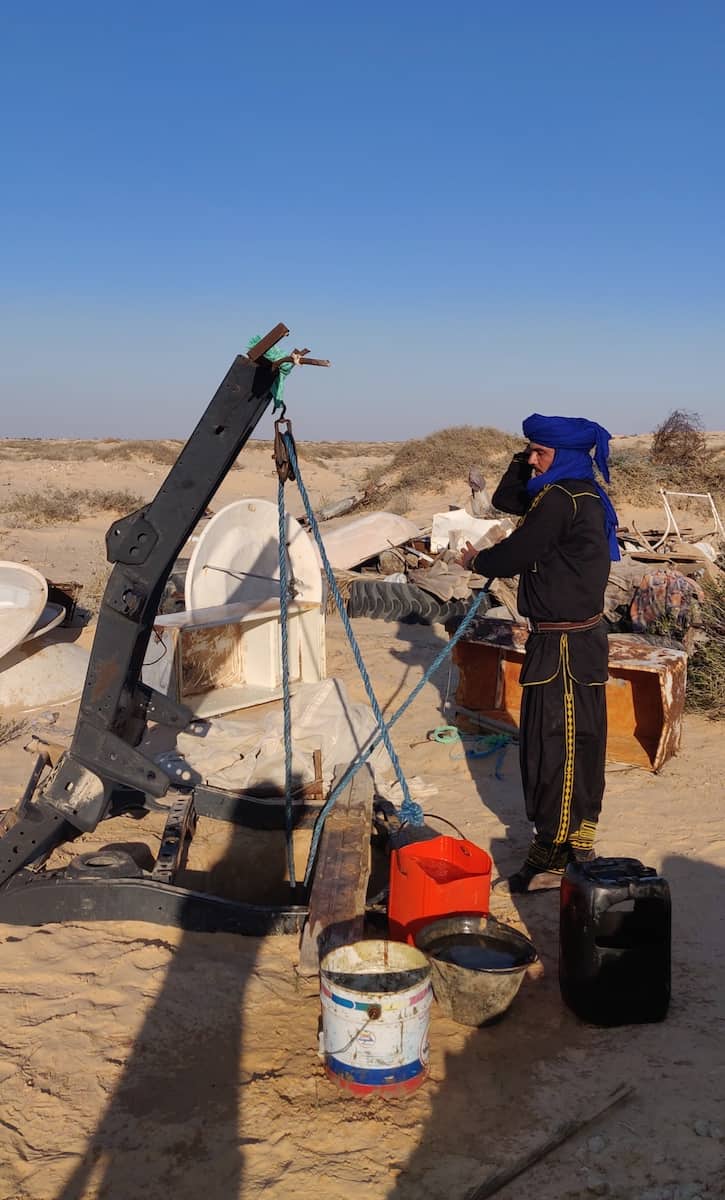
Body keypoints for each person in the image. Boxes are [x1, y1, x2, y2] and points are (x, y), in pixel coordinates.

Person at [460, 414, 620, 893]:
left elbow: (511, 556)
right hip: (567, 641)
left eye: (539, 453)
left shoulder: (562, 500)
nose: (530, 460)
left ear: (565, 457)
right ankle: (574, 843)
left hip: (566, 647)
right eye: (529, 451)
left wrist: (476, 561)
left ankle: (555, 856)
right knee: (573, 744)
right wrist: (529, 453)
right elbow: (508, 500)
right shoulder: (570, 492)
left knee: (560, 748)